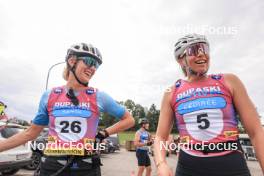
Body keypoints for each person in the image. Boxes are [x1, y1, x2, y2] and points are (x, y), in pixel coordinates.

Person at [0, 43, 135, 176]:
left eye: (96, 65)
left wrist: (103, 134)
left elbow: (129, 120)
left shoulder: (99, 96)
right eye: (89, 62)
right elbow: (30, 133)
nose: (93, 68)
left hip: (86, 166)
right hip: (52, 165)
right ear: (72, 61)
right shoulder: (50, 95)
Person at [153, 34, 264, 176]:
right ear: (181, 60)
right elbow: (160, 137)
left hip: (230, 163)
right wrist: (161, 164)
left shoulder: (229, 81)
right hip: (189, 165)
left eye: (205, 49)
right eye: (194, 50)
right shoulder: (171, 91)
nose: (201, 54)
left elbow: (256, 132)